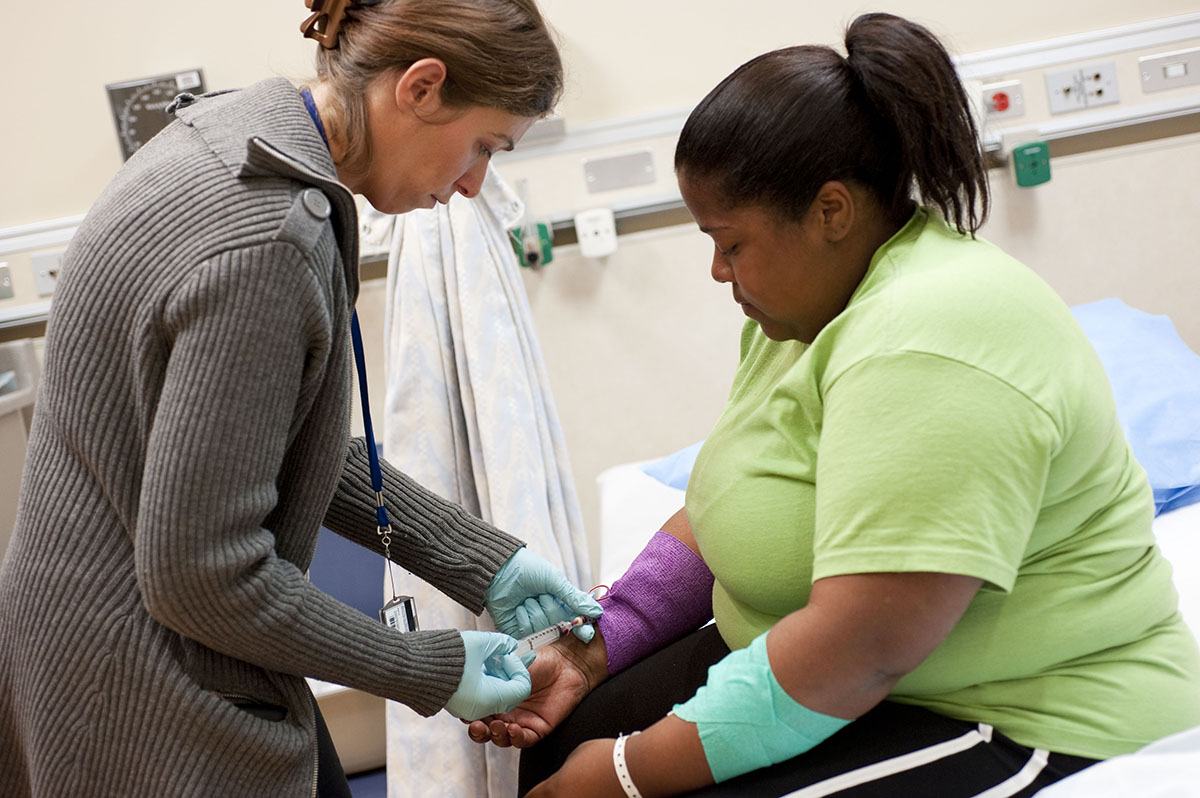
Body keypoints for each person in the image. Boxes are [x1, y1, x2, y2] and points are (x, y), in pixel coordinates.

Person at [467, 12, 1200, 797]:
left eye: (732, 242)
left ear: (831, 212)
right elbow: (736, 495)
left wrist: (623, 776)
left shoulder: (930, 336)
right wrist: (594, 647)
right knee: (551, 745)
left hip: (1015, 710)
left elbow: (863, 651)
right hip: (853, 669)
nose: (718, 271)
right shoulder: (803, 315)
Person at [0, 1, 602, 795]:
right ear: (421, 87)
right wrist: (430, 667)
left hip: (91, 639)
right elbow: (205, 574)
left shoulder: (223, 140)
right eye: (483, 146)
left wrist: (484, 562)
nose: (471, 185)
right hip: (145, 695)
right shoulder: (269, 237)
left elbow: (261, 442)